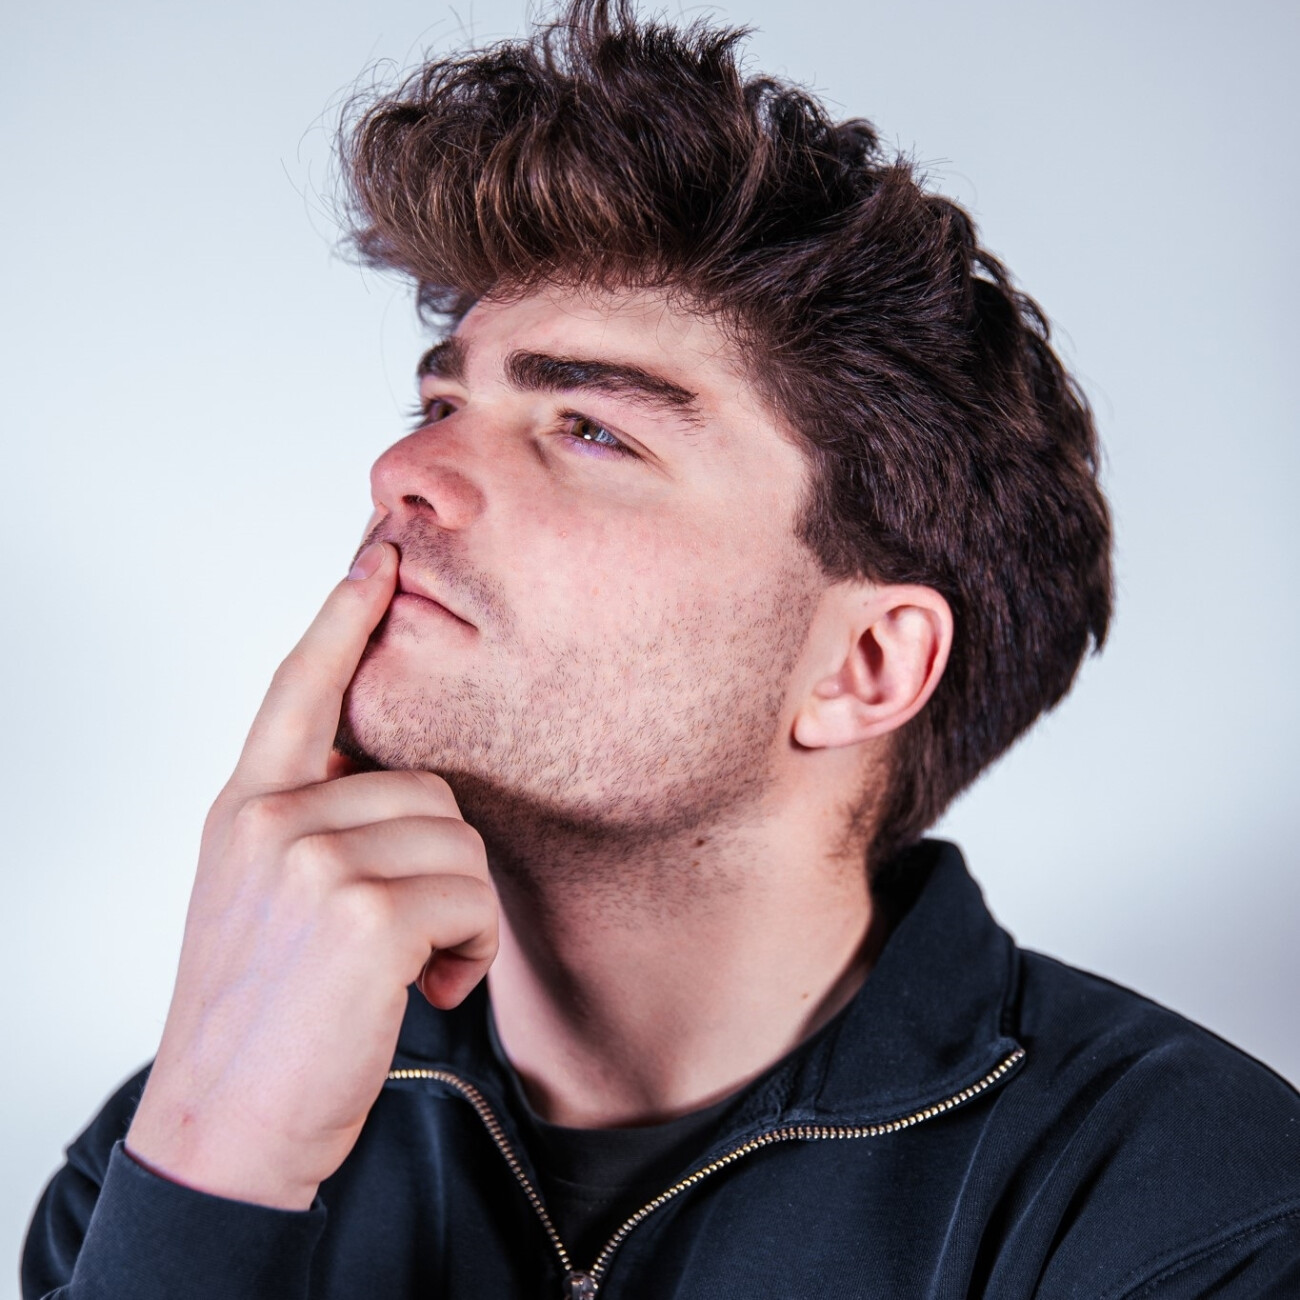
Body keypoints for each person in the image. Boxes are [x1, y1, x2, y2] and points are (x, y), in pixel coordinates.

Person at [22, 1, 1300, 1295]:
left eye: (590, 429)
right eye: (441, 400)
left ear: (864, 666)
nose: (405, 471)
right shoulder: (177, 1143)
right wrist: (206, 1177)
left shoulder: (1188, 1207)